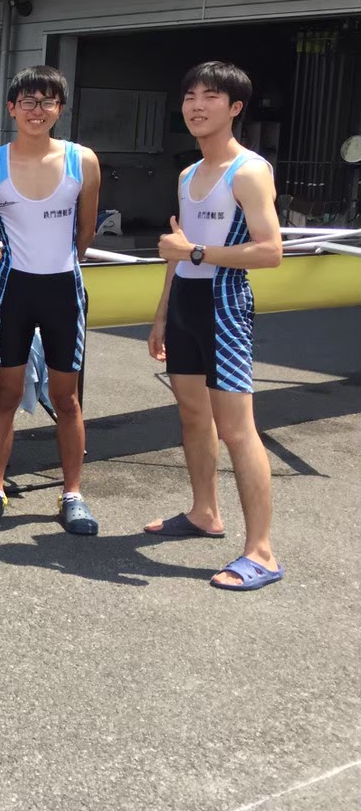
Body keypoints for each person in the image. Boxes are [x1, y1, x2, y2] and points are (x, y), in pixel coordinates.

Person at [146, 61, 284, 591]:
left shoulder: (248, 171)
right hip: (185, 303)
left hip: (224, 306)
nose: (197, 105)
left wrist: (196, 252)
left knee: (236, 429)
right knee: (192, 415)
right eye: (190, 96)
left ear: (236, 107)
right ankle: (204, 512)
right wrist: (162, 314)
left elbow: (270, 251)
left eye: (210, 96)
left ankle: (262, 553)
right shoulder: (187, 174)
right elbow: (177, 253)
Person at [0, 66, 101, 535]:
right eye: (28, 101)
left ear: (59, 109)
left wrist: (59, 265)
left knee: (66, 398)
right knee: (6, 392)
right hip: (14, 290)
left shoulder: (82, 160)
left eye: (47, 102)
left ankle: (73, 493)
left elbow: (86, 231)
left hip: (64, 288)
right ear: (11, 108)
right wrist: (3, 272)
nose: (37, 110)